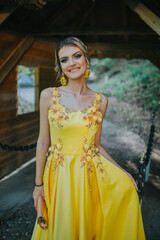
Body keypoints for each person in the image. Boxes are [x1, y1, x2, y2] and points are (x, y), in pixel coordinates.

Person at [31, 37, 146, 240]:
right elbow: (43, 142)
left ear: (86, 60)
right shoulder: (49, 96)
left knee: (93, 224)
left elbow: (96, 144)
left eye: (77, 56)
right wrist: (38, 185)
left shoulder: (101, 101)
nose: (72, 63)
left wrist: (122, 172)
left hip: (90, 175)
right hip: (60, 175)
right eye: (64, 59)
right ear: (60, 66)